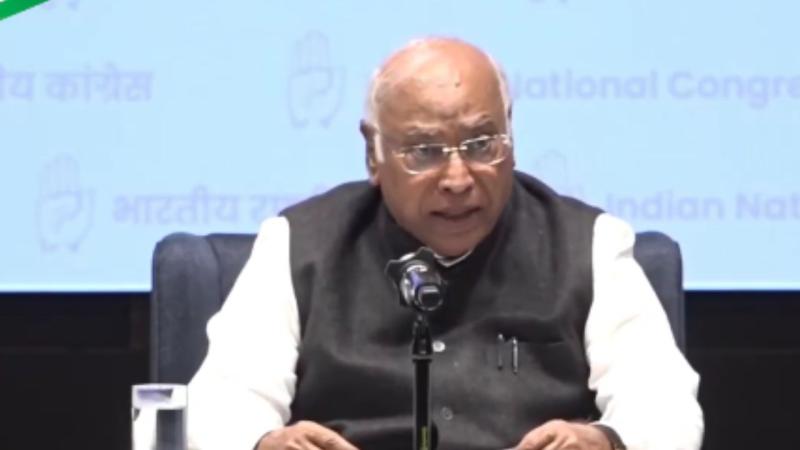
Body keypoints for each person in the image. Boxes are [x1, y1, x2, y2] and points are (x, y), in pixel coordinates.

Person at [187, 37, 704, 450]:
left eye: (481, 144)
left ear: (511, 134)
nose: (458, 178)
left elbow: (664, 407)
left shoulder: (589, 244)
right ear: (373, 153)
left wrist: (608, 441)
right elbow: (223, 401)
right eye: (425, 151)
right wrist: (263, 442)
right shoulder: (298, 244)